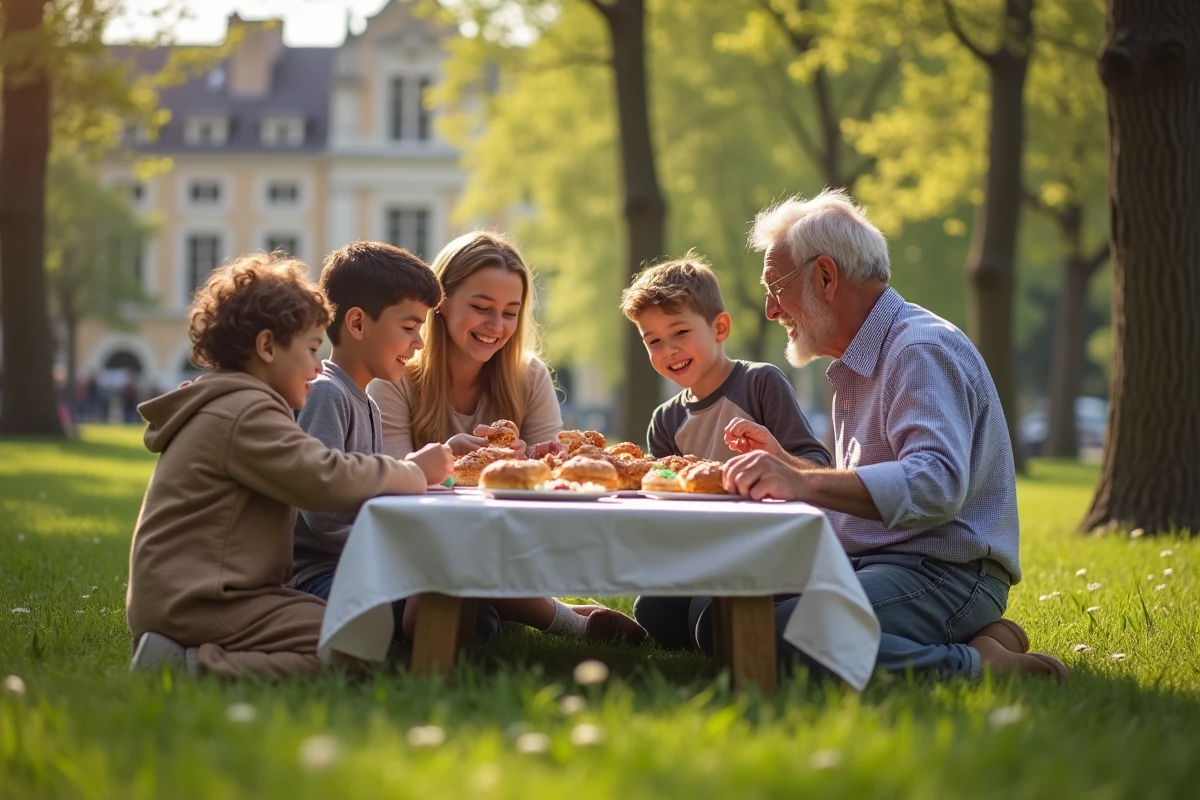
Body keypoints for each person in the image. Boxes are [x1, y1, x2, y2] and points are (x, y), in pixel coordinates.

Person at [720, 189, 1066, 681]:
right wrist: (787, 467)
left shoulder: (918, 349)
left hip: (945, 572)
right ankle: (987, 637)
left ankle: (980, 665)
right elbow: (867, 492)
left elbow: (934, 484)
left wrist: (802, 481)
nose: (771, 310)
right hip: (876, 564)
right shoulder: (860, 358)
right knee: (718, 617)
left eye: (776, 287)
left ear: (825, 276)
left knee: (774, 635)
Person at [127, 252, 434, 678]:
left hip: (209, 594)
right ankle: (187, 665)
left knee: (359, 628)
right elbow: (324, 478)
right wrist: (412, 472)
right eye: (311, 350)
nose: (317, 366)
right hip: (200, 600)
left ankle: (189, 653)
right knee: (353, 640)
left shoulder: (240, 405)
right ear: (267, 347)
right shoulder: (245, 413)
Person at [368, 231, 644, 643]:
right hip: (415, 552)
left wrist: (535, 462)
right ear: (441, 303)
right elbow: (390, 492)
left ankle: (498, 611)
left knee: (466, 614)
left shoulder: (528, 376)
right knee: (444, 612)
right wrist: (448, 463)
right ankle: (568, 621)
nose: (496, 326)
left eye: (510, 313)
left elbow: (555, 491)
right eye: (481, 308)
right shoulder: (395, 376)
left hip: (506, 549)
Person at [615, 253, 832, 650]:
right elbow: (662, 495)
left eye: (680, 332)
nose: (669, 350)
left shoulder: (760, 383)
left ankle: (768, 616)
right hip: (701, 551)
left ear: (720, 328)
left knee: (710, 615)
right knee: (652, 610)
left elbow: (818, 467)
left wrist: (775, 455)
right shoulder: (665, 420)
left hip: (766, 548)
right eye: (654, 341)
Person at [290, 241, 464, 635]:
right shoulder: (327, 394)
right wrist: (400, 541)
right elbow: (323, 510)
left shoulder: (366, 401)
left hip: (363, 565)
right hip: (322, 574)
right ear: (357, 323)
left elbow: (370, 488)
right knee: (434, 610)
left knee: (478, 617)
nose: (419, 342)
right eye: (409, 328)